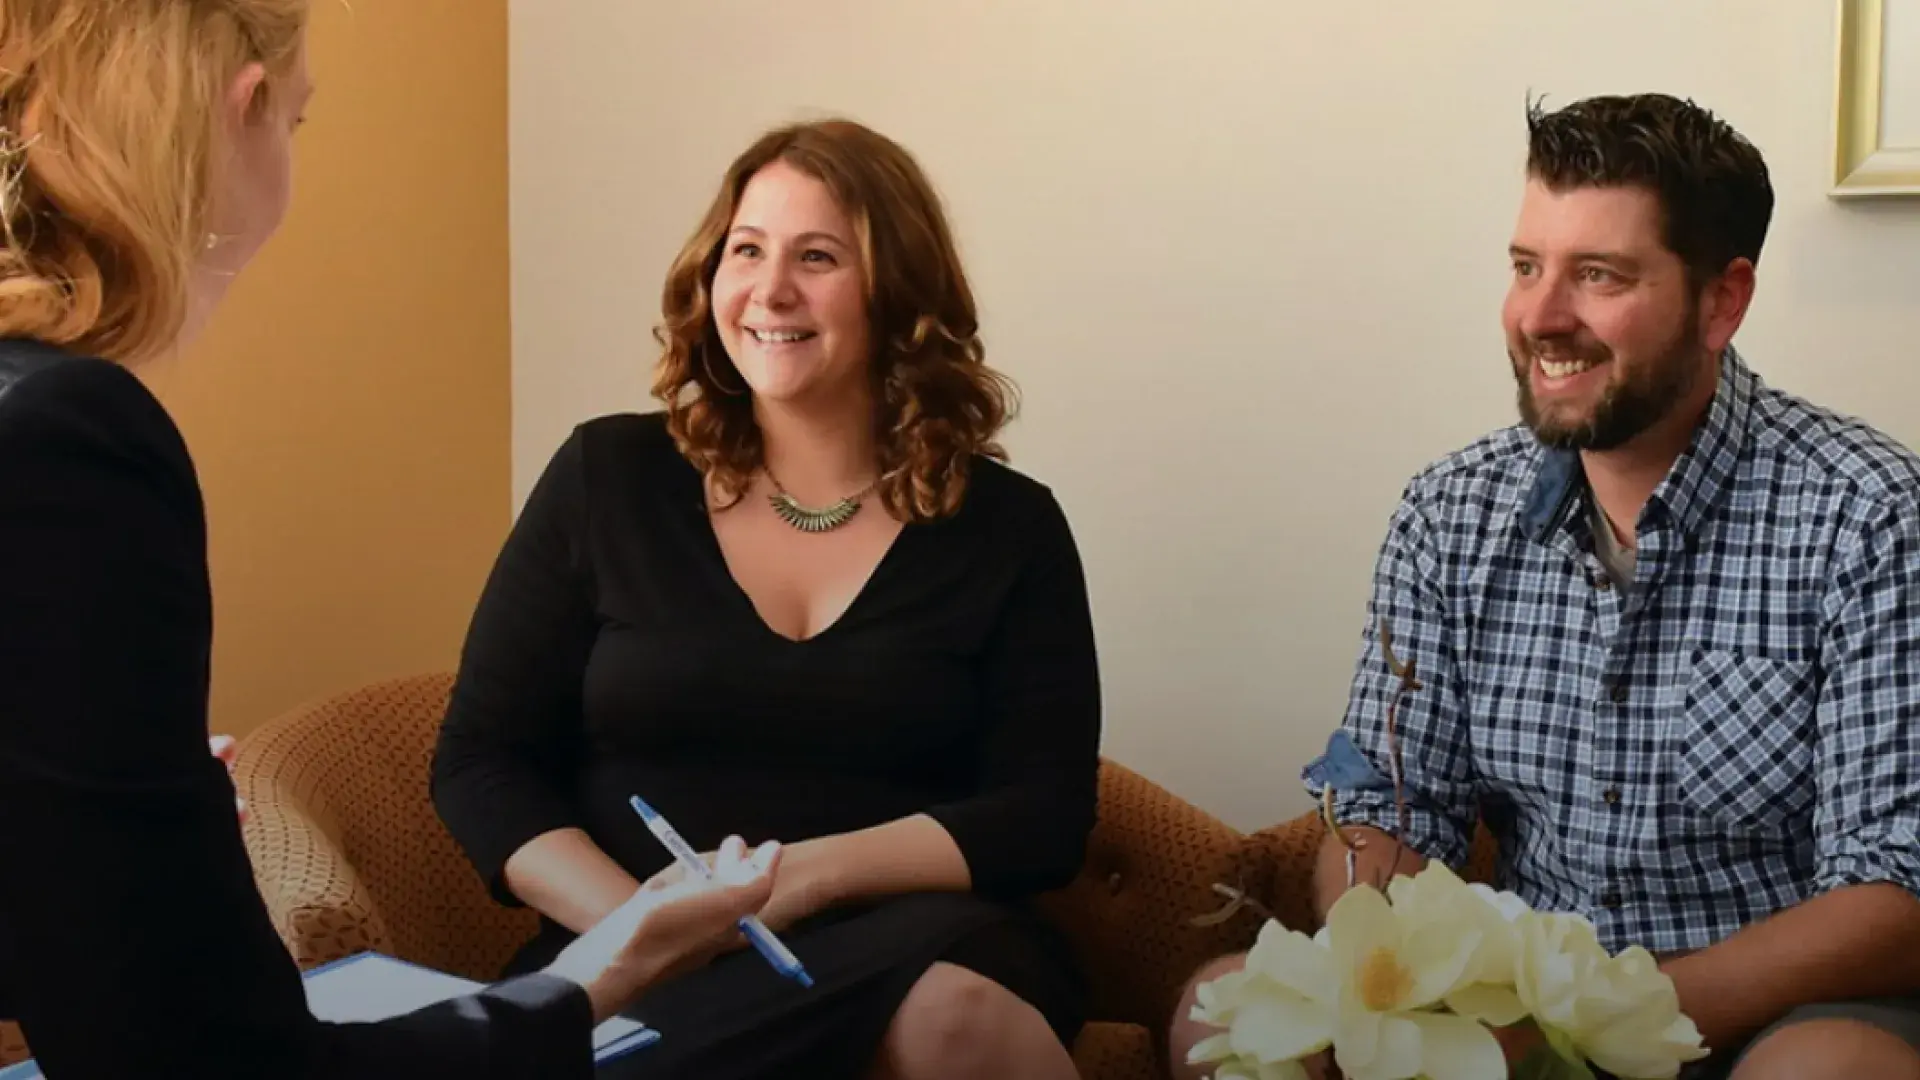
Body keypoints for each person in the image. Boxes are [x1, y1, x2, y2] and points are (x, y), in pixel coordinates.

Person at [0, 3, 783, 1078]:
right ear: (246, 108)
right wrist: (606, 969)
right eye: (301, 123)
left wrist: (114, 806)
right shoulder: (68, 443)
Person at [1169, 93, 1920, 1080]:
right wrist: (1386, 970)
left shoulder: (1870, 515)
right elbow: (1393, 809)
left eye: (1598, 275)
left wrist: (1595, 1022)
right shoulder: (1449, 514)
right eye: (1527, 267)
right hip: (1510, 1008)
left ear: (1721, 302)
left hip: (1770, 1016)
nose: (1541, 316)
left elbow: (1895, 890)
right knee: (1216, 1012)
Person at [429, 117, 1101, 1080]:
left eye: (817, 256)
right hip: (628, 938)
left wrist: (793, 882)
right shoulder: (605, 476)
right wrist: (645, 928)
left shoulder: (1011, 528)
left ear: (895, 292)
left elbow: (1043, 813)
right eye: (747, 251)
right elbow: (480, 761)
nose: (770, 291)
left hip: (916, 939)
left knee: (953, 1018)